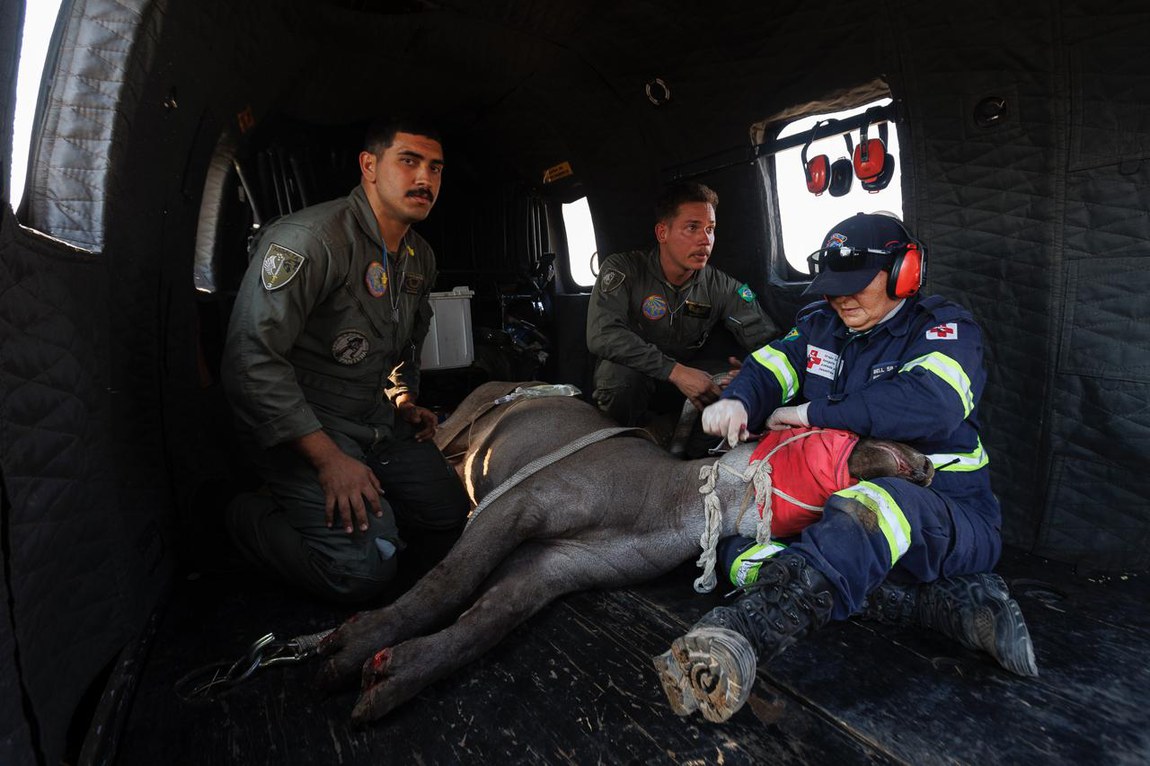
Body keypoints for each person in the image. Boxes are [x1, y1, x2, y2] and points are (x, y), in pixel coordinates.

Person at [654, 212, 1037, 723]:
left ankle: (744, 634)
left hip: (946, 516)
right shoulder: (821, 324)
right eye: (833, 287)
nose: (842, 299)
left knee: (871, 504)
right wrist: (742, 401)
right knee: (736, 553)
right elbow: (772, 364)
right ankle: (917, 606)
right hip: (831, 515)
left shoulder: (945, 330)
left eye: (856, 286)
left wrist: (809, 413)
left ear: (905, 273)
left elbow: (932, 403)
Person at [221, 118, 469, 604]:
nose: (425, 179)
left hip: (372, 418)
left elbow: (405, 344)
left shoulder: (419, 257)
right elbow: (250, 361)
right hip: (304, 427)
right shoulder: (309, 239)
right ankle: (236, 512)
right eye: (409, 161)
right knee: (366, 571)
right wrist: (328, 459)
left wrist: (402, 398)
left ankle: (362, 500)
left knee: (450, 519)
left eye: (435, 168)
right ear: (369, 166)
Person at [586, 183, 778, 430]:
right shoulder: (624, 268)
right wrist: (674, 371)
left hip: (685, 378)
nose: (705, 239)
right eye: (692, 227)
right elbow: (603, 335)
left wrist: (754, 372)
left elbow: (769, 341)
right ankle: (616, 445)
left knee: (732, 378)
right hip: (637, 377)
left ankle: (690, 451)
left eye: (710, 229)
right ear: (662, 233)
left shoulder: (722, 286)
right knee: (621, 377)